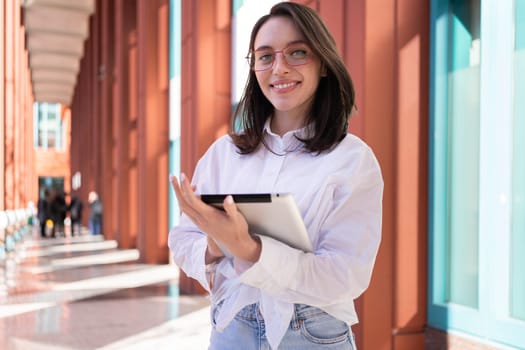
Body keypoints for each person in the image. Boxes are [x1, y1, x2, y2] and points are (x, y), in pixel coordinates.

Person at [168, 2, 383, 350]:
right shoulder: (225, 153)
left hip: (313, 334)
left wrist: (250, 250)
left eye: (297, 53)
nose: (279, 68)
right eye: (265, 57)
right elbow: (180, 240)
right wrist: (213, 245)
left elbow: (347, 275)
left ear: (323, 63)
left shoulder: (352, 160)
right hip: (231, 329)